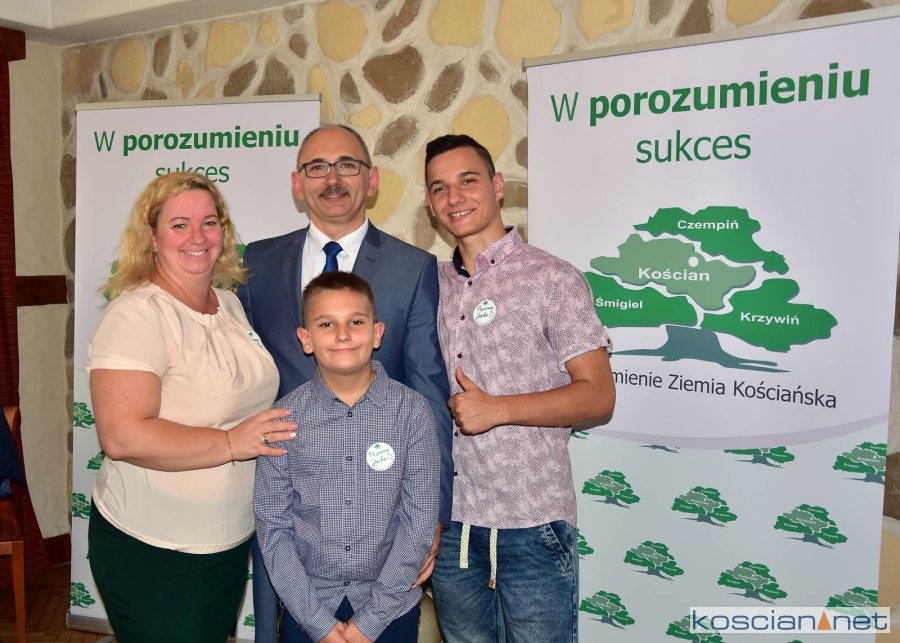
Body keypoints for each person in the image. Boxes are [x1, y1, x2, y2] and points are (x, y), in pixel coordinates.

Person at [238, 124, 453, 641]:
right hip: (291, 506)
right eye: (317, 167)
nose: (332, 178)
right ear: (298, 183)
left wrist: (435, 516)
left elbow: (429, 391)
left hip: (383, 522)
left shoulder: (413, 267)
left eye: (347, 165)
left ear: (371, 180)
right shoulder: (256, 263)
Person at [86, 172, 297, 643]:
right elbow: (122, 435)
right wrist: (231, 443)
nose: (197, 237)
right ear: (151, 237)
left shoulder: (228, 305)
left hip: (226, 543)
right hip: (151, 545)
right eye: (179, 225)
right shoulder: (137, 315)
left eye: (209, 222)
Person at [423, 134, 616, 643]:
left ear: (497, 186)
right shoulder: (429, 284)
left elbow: (598, 396)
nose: (454, 197)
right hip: (453, 528)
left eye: (468, 181)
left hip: (533, 524)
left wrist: (498, 409)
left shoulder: (553, 278)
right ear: (430, 205)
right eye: (439, 188)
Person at [254, 271, 440, 643]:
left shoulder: (412, 412)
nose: (342, 335)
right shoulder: (282, 419)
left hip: (389, 608)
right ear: (306, 339)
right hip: (308, 609)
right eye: (326, 324)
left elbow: (419, 520)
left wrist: (369, 623)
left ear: (377, 332)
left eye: (356, 322)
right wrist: (318, 624)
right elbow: (273, 526)